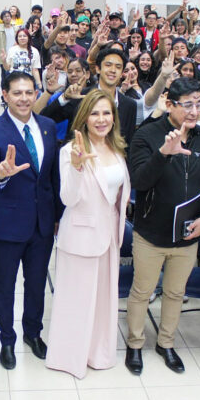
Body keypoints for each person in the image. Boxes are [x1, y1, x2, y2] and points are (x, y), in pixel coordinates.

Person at [125, 77, 200, 375]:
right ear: (169, 104)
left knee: (176, 293)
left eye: (199, 103)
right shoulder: (147, 135)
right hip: (151, 234)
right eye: (186, 104)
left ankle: (166, 344)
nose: (193, 110)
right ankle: (135, 344)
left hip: (189, 236)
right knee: (142, 291)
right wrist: (164, 154)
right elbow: (139, 181)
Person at [0, 71, 62, 370]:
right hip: (9, 224)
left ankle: (33, 333)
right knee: (5, 285)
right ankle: (7, 340)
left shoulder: (48, 127)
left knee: (36, 283)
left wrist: (57, 217)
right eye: (17, 93)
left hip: (42, 223)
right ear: (5, 94)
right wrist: (0, 172)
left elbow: (54, 176)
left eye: (29, 92)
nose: (24, 98)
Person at [45, 90, 131, 379]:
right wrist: (78, 167)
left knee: (104, 302)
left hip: (110, 235)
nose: (101, 119)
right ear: (84, 118)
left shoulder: (117, 147)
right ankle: (69, 358)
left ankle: (98, 353)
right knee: (76, 302)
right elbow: (68, 198)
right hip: (80, 235)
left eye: (106, 113)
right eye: (95, 113)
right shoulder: (69, 151)